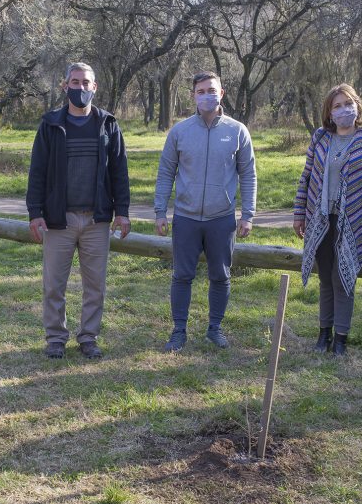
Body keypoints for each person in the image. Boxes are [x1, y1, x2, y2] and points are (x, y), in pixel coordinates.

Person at [26, 62, 131, 359]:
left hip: (97, 219)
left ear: (94, 87)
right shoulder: (50, 125)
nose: (80, 88)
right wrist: (35, 212)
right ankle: (55, 338)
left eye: (86, 83)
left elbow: (119, 171)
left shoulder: (108, 124)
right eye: (75, 82)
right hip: (59, 219)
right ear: (65, 86)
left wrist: (122, 211)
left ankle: (88, 337)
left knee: (95, 285)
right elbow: (37, 171)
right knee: (53, 285)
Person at [154, 71, 257, 352]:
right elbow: (166, 173)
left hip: (221, 219)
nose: (206, 96)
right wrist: (160, 211)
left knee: (221, 276)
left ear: (221, 93)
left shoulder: (237, 131)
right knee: (181, 276)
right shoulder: (180, 132)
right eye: (201, 91)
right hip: (186, 218)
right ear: (193, 96)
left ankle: (215, 329)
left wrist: (248, 215)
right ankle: (179, 331)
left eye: (211, 90)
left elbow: (248, 175)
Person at [293, 84, 362, 356]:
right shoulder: (321, 137)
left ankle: (341, 339)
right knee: (325, 278)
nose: (344, 109)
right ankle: (324, 334)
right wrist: (299, 213)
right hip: (321, 218)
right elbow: (306, 177)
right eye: (337, 106)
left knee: (343, 278)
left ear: (357, 106)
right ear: (329, 112)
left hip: (354, 223)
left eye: (348, 104)